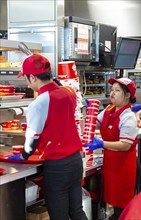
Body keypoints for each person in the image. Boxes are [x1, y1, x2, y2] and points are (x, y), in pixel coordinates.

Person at [7, 54, 88, 220]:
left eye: (27, 79)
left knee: (59, 216)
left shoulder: (38, 104)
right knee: (77, 212)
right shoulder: (68, 92)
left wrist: (22, 156)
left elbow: (31, 142)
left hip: (58, 166)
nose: (27, 84)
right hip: (75, 161)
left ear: (33, 77)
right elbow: (58, 88)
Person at [84, 78, 138, 220]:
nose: (112, 94)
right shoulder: (109, 110)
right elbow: (95, 123)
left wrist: (102, 143)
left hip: (124, 167)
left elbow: (125, 145)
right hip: (111, 164)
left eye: (117, 90)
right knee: (112, 202)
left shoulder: (128, 117)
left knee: (123, 205)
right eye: (112, 90)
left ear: (127, 95)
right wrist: (89, 113)